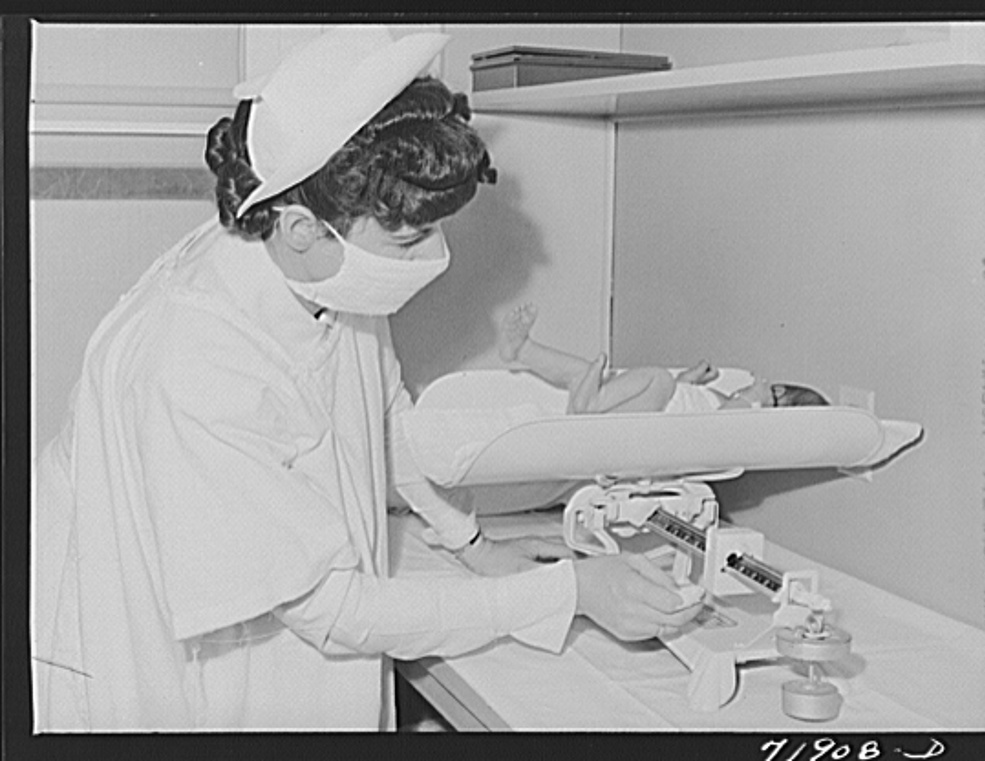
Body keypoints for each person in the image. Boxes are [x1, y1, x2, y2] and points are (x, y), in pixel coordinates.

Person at [31, 26, 704, 732]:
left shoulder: (327, 273)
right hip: (129, 656)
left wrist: (473, 545)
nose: (433, 257)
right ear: (299, 228)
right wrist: (565, 592)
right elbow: (332, 610)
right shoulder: (194, 362)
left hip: (283, 615)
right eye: (410, 240)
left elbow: (385, 420)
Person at [499, 303, 829, 414]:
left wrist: (748, 399)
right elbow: (691, 400)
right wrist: (690, 379)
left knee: (659, 378)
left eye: (769, 397)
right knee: (582, 373)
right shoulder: (725, 401)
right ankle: (524, 351)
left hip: (651, 414)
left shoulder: (738, 418)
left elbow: (721, 421)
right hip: (648, 403)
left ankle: (590, 405)